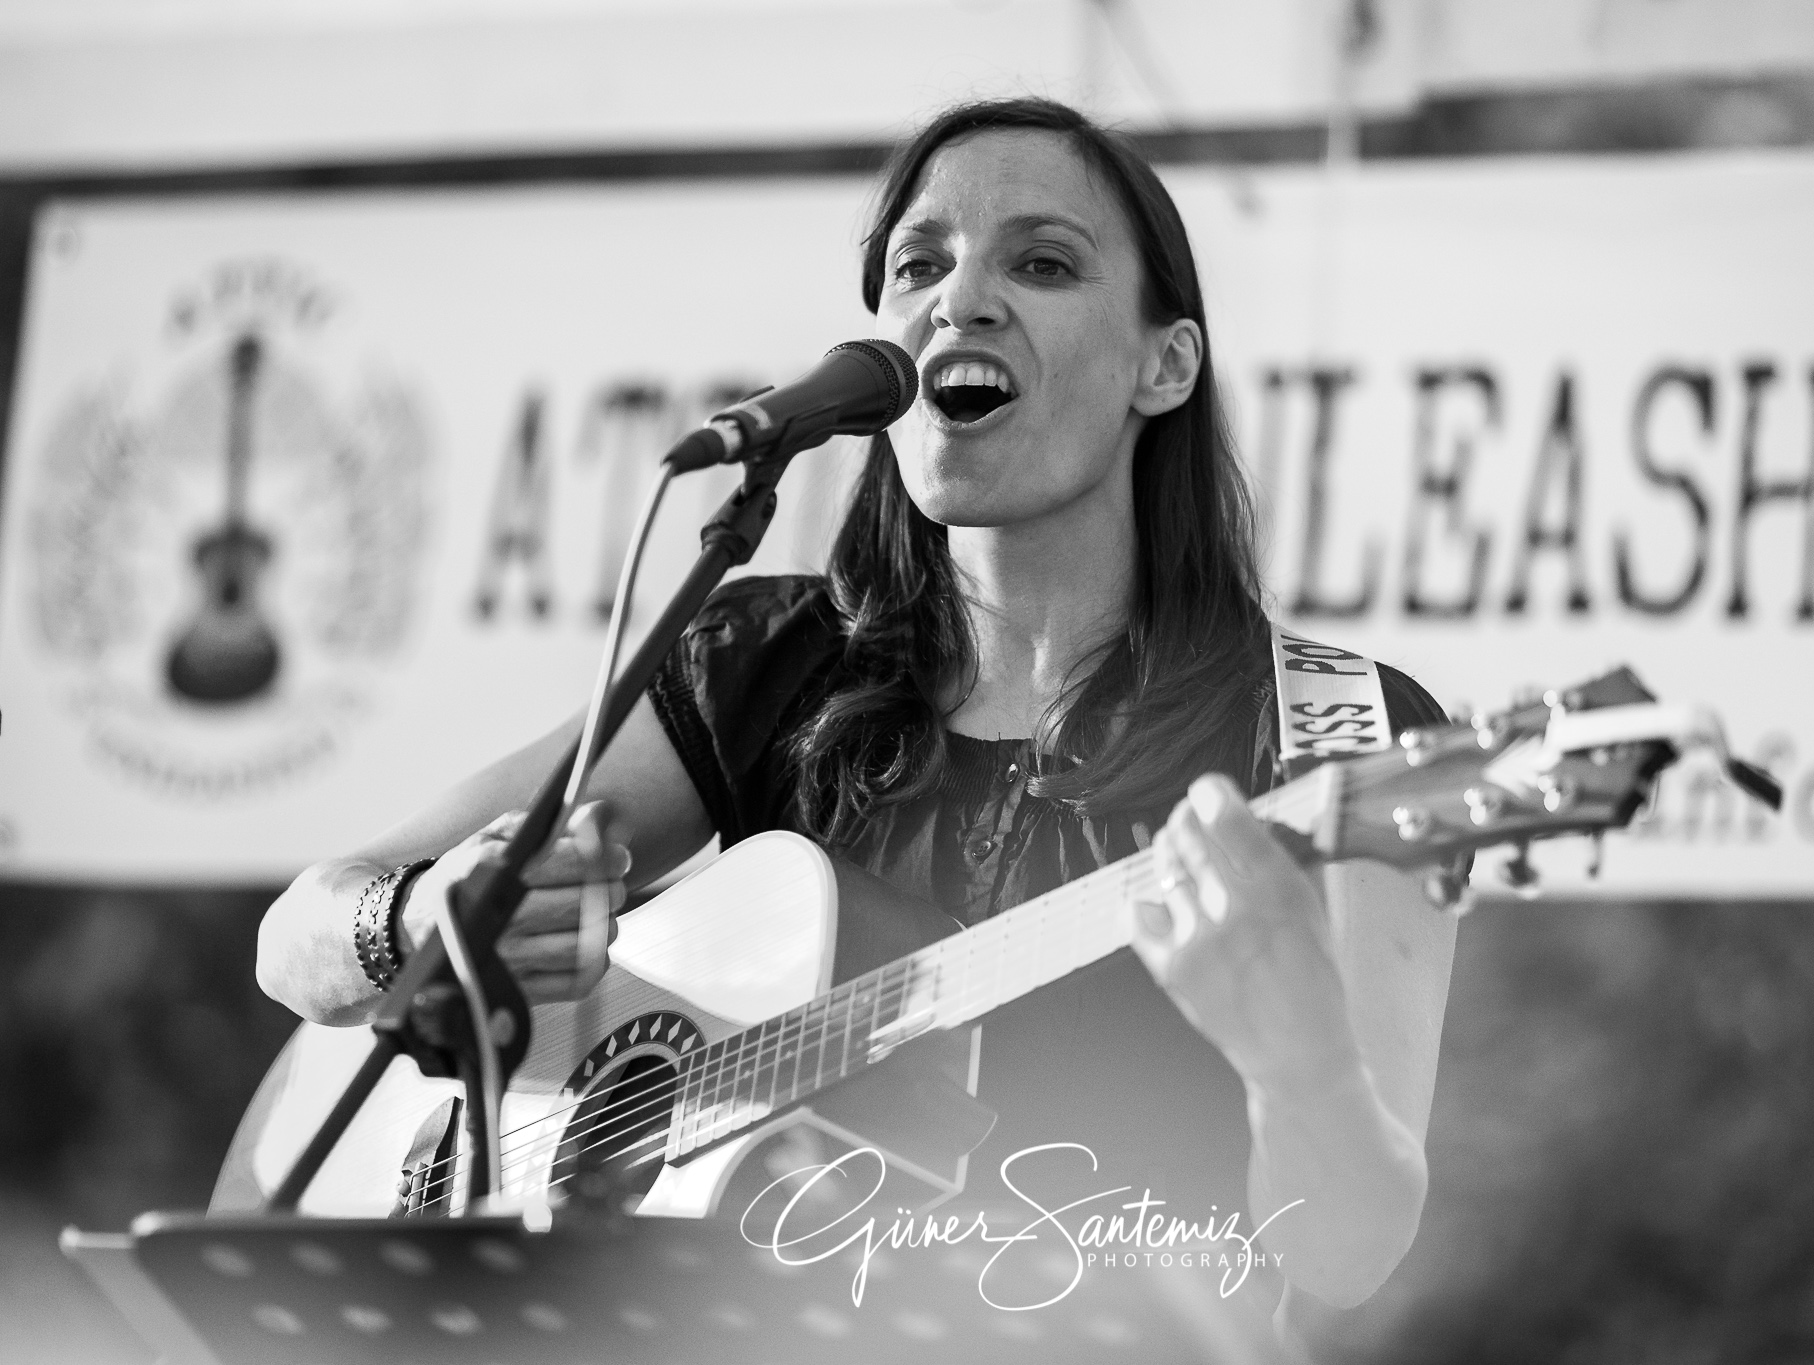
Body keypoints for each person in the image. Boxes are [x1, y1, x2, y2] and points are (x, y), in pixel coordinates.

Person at [256, 96, 1457, 1336]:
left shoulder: (1340, 738)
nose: (961, 300)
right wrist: (414, 919)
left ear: (1166, 364)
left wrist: (1297, 1060)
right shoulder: (773, 665)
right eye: (919, 265)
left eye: (1039, 264)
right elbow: (295, 939)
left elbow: (1351, 1250)